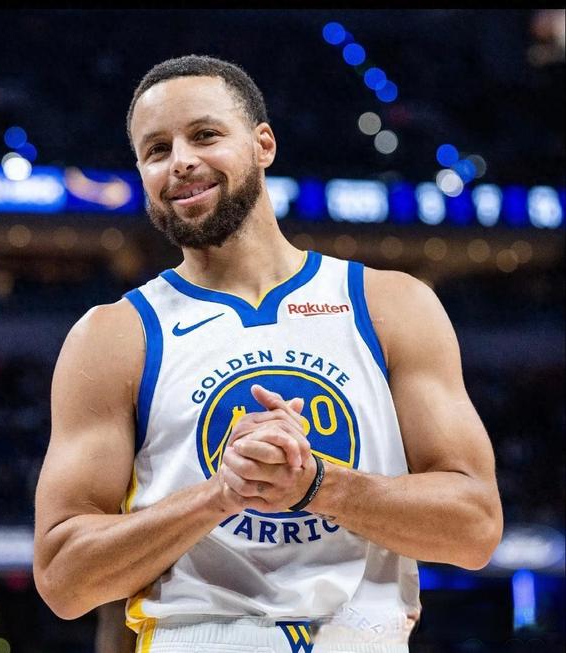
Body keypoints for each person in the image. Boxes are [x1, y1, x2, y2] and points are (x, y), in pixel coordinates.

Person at [33, 55, 503, 653]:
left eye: (205, 134)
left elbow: (475, 528)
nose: (180, 161)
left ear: (263, 144)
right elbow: (64, 578)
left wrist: (314, 484)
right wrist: (222, 493)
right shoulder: (113, 335)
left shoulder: (390, 305)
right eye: (156, 150)